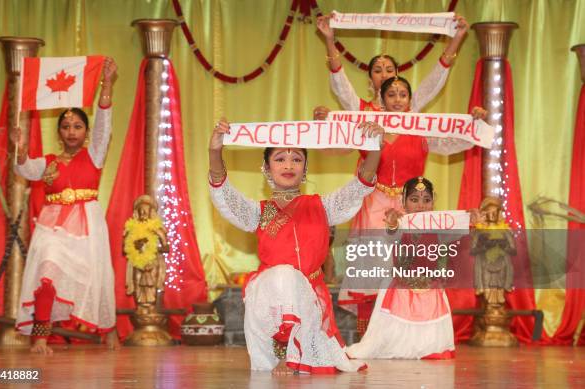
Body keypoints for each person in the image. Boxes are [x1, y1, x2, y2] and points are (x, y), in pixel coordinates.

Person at [208, 118, 382, 374]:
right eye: (279, 159)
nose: (288, 165)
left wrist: (374, 147)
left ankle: (301, 348)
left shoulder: (323, 207)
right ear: (266, 168)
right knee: (283, 274)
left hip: (311, 300)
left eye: (297, 159)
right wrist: (215, 151)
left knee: (320, 360)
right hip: (269, 298)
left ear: (306, 168)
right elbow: (223, 192)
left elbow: (360, 186)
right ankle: (281, 352)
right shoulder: (258, 212)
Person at [337, 76, 486, 333]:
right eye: (392, 94)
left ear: (410, 99)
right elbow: (335, 145)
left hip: (414, 208)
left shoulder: (421, 129)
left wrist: (475, 124)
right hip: (375, 205)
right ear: (381, 100)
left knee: (412, 268)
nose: (397, 99)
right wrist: (323, 121)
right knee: (373, 271)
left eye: (403, 94)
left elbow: (456, 142)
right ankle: (368, 334)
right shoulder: (368, 127)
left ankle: (404, 329)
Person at [11, 57, 119, 354]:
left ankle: (108, 330)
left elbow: (104, 126)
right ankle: (41, 338)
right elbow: (25, 170)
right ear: (59, 132)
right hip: (53, 226)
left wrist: (106, 84)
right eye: (66, 126)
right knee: (46, 270)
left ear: (86, 132)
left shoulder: (94, 155)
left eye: (78, 126)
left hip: (87, 225)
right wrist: (20, 152)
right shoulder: (48, 162)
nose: (72, 131)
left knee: (96, 278)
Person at [346, 176, 471, 360]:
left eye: (426, 200)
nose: (421, 205)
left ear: (433, 203)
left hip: (430, 288)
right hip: (401, 288)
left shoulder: (439, 226)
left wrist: (470, 220)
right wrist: (391, 224)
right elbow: (391, 235)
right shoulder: (399, 224)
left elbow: (459, 231)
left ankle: (428, 349)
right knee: (394, 340)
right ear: (403, 202)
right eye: (414, 200)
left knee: (433, 343)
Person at [314, 13, 469, 115]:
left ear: (397, 77)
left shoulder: (410, 107)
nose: (384, 75)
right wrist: (329, 38)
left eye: (389, 70)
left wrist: (457, 37)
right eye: (377, 70)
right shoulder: (360, 110)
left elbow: (436, 77)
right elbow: (340, 82)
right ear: (370, 80)